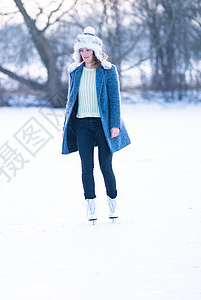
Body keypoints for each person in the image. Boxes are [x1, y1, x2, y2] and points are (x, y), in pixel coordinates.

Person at [62, 26, 131, 222]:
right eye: (81, 50)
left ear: (95, 51)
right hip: (82, 124)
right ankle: (90, 204)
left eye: (88, 50)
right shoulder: (75, 72)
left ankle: (112, 201)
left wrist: (115, 124)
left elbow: (114, 99)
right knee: (86, 167)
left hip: (103, 124)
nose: (84, 54)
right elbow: (70, 99)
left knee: (105, 166)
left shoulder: (108, 70)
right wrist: (65, 126)